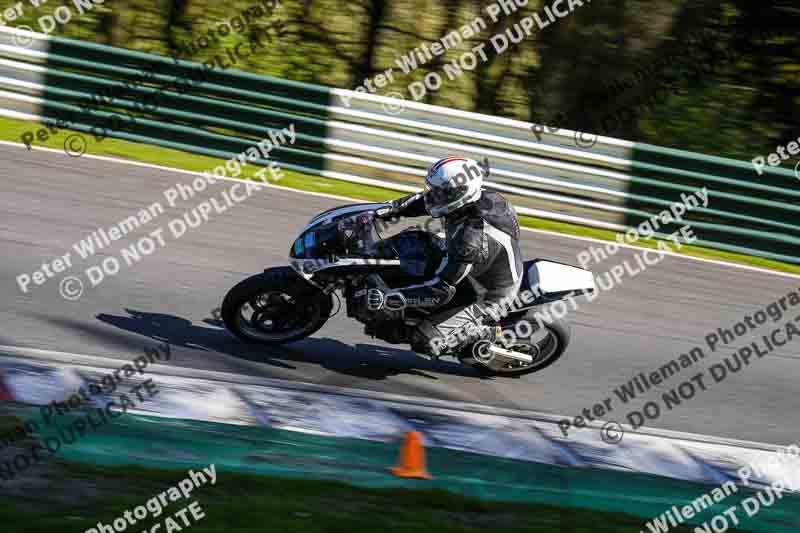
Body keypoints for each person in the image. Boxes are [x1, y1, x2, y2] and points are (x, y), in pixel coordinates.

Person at [369, 156, 523, 357]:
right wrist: (382, 211)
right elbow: (421, 202)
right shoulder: (475, 199)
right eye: (434, 190)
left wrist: (395, 298)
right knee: (414, 243)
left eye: (442, 193)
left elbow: (441, 289)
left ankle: (487, 333)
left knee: (425, 341)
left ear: (460, 194)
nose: (434, 196)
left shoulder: (469, 241)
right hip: (478, 266)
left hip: (487, 294)